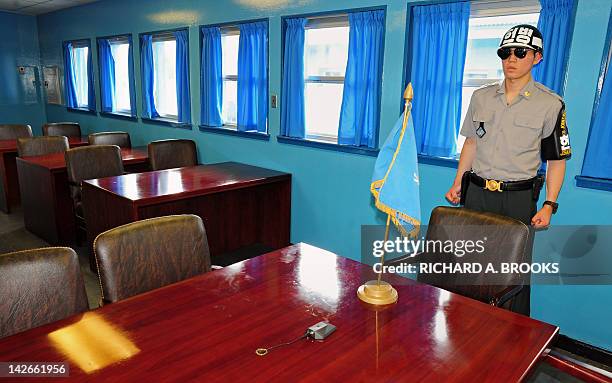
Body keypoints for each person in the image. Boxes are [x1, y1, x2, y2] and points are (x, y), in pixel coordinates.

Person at [445, 24, 571, 315]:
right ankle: (464, 323)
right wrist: (458, 181)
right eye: (505, 53)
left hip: (517, 197)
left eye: (520, 52)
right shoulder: (481, 97)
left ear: (536, 57)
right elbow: (471, 144)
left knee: (511, 271)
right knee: (469, 265)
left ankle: (511, 338)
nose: (511, 59)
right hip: (476, 193)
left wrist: (550, 204)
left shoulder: (551, 104)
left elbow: (556, 160)